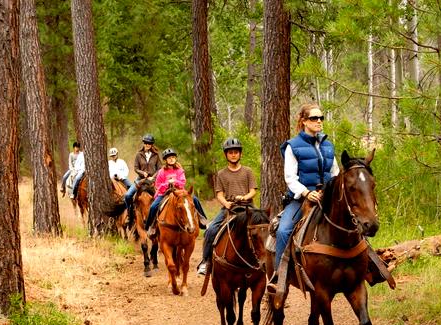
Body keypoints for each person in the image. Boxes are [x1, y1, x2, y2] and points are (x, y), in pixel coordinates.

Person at [266, 103, 340, 293]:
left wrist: (329, 191)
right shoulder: (293, 146)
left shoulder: (328, 145)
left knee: (354, 219)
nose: (319, 122)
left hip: (327, 197)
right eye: (314, 118)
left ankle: (367, 265)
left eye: (321, 118)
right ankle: (279, 276)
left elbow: (335, 172)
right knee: (283, 230)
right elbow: (290, 178)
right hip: (301, 199)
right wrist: (307, 193)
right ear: (304, 121)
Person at [197, 138, 257, 275]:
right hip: (229, 208)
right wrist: (226, 203)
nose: (233, 155)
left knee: (264, 227)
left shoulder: (248, 171)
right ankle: (205, 261)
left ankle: (268, 262)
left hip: (247, 206)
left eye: (236, 152)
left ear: (240, 154)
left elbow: (253, 190)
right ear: (226, 155)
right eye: (230, 152)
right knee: (211, 230)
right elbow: (219, 194)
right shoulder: (221, 174)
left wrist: (244, 197)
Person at [144, 148, 208, 238]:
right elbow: (158, 185)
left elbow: (182, 182)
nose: (171, 159)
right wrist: (168, 184)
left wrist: (175, 182)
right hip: (165, 193)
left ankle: (202, 219)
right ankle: (150, 226)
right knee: (154, 206)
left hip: (180, 192)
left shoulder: (179, 170)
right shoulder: (161, 172)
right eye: (169, 158)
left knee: (195, 200)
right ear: (165, 160)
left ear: (175, 159)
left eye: (173, 157)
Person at [124, 134, 161, 227]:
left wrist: (154, 177)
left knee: (160, 197)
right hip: (140, 179)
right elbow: (136, 168)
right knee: (128, 195)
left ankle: (160, 216)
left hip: (152, 180)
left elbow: (159, 169)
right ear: (143, 143)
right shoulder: (138, 154)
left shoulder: (156, 155)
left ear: (152, 144)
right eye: (146, 143)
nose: (147, 145)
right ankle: (130, 214)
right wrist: (142, 173)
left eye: (149, 143)